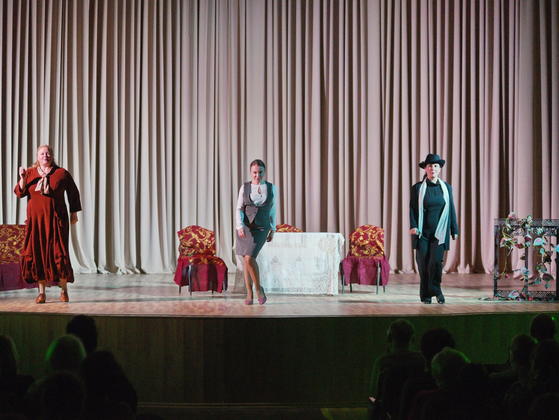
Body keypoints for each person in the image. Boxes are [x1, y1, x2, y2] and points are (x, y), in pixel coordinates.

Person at [14, 144, 82, 304]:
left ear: (52, 155)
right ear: (37, 157)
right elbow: (20, 193)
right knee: (38, 255)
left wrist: (73, 213)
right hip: (36, 222)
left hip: (56, 220)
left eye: (48, 153)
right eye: (42, 154)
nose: (45, 156)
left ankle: (64, 290)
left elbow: (73, 192)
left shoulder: (61, 173)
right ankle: (41, 293)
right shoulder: (30, 173)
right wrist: (22, 178)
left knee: (59, 254)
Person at [409, 153, 458, 304]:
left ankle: (436, 290)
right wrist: (413, 226)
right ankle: (426, 295)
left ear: (439, 168)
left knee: (435, 263)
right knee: (423, 264)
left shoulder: (446, 188)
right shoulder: (418, 188)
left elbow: (451, 209)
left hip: (440, 233)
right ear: (425, 168)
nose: (433, 168)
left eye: (435, 166)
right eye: (430, 166)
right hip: (422, 233)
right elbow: (412, 208)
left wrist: (454, 229)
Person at [235, 159, 277, 305]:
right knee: (246, 259)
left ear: (264, 172)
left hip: (261, 227)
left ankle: (258, 289)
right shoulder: (245, 187)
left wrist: (273, 229)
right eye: (254, 172)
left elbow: (273, 210)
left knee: (249, 257)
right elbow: (239, 208)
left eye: (260, 172)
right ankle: (249, 292)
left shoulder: (271, 188)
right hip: (245, 227)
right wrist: (239, 226)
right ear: (250, 172)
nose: (257, 175)